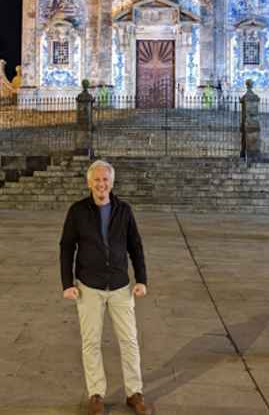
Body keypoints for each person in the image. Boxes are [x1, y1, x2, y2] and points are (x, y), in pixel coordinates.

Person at [60, 160, 152, 415]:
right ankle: (96, 394)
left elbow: (136, 247)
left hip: (121, 286)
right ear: (90, 183)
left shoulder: (124, 210)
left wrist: (141, 280)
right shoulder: (77, 211)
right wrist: (68, 284)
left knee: (129, 340)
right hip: (89, 286)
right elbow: (67, 247)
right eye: (97, 180)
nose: (101, 184)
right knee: (91, 342)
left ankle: (134, 392)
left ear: (112, 183)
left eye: (105, 180)